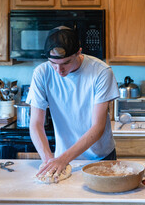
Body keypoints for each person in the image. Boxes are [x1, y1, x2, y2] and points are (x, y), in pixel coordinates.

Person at [26, 26, 120, 179]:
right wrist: (49, 160)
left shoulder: (101, 72)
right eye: (53, 63)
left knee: (99, 203)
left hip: (100, 157)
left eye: (66, 63)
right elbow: (36, 123)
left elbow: (98, 127)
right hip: (62, 158)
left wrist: (62, 159)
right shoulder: (41, 73)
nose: (59, 70)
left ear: (79, 52)